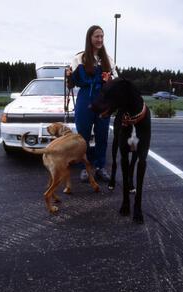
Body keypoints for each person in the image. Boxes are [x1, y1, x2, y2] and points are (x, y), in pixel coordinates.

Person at [66, 25, 118, 182]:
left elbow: (115, 80)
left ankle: (100, 167)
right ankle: (85, 168)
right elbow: (71, 84)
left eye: (102, 36)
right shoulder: (79, 58)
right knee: (83, 136)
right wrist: (69, 76)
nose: (100, 39)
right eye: (97, 36)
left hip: (103, 101)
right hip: (84, 100)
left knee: (102, 135)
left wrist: (110, 80)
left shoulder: (108, 59)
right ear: (90, 38)